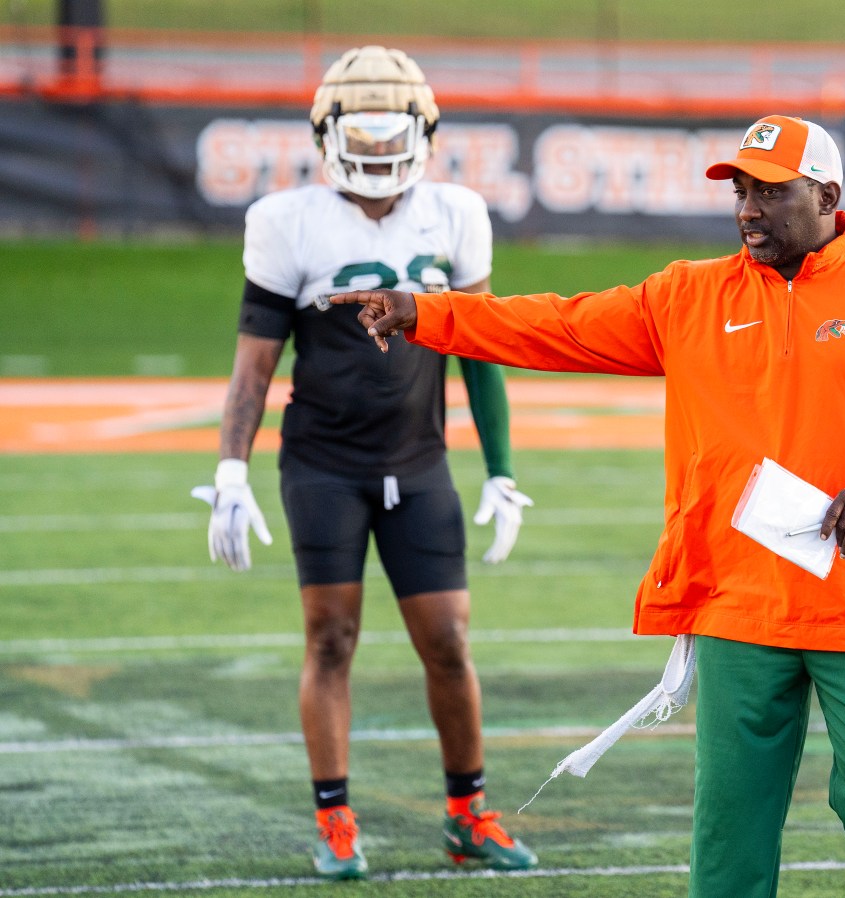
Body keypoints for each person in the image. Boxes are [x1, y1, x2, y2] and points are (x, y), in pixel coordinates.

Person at [333, 114, 845, 897]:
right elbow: (560, 325)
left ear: (828, 195)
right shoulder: (689, 295)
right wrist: (427, 315)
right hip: (738, 598)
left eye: (771, 192)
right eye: (741, 190)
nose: (748, 209)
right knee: (730, 822)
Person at [192, 46, 537, 879]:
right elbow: (255, 362)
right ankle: (336, 821)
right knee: (331, 638)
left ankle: (468, 814)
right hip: (323, 463)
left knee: (450, 640)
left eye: (394, 140)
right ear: (327, 134)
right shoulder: (286, 220)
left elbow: (481, 351)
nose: (381, 156)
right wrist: (231, 469)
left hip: (419, 460)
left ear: (423, 134)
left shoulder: (456, 213)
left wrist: (500, 467)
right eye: (365, 139)